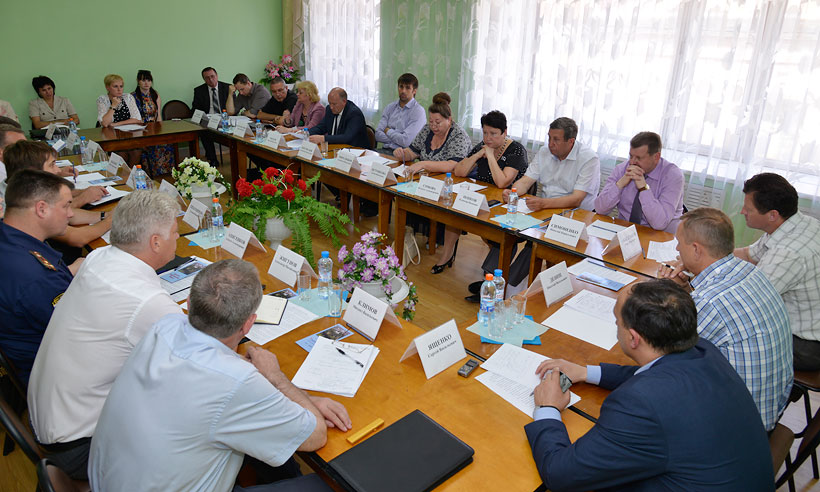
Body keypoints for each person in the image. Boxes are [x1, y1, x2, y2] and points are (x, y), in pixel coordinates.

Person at [89, 259, 348, 492]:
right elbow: (315, 435)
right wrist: (277, 378)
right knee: (328, 485)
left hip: (109, 480)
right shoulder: (237, 381)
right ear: (248, 324)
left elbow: (217, 370)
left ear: (189, 303)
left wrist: (304, 400)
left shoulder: (165, 326)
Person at [527, 280, 774, 490]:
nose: (616, 326)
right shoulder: (703, 350)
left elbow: (559, 475)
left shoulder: (640, 405)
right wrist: (586, 372)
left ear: (633, 338)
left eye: (617, 321)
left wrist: (548, 408)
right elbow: (654, 374)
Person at [28, 191, 182, 479]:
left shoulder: (98, 257)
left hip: (50, 419)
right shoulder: (148, 303)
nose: (177, 238)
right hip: (80, 446)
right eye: (175, 232)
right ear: (155, 242)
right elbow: (197, 363)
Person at [658, 207, 792, 431]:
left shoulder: (709, 302)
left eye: (679, 243)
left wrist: (664, 293)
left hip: (741, 426)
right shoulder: (749, 271)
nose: (677, 249)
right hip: (770, 405)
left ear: (696, 249)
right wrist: (685, 290)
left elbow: (661, 351)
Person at [467, 117, 600, 296]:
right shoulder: (545, 152)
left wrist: (543, 203)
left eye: (556, 139)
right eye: (549, 137)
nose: (550, 143)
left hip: (575, 216)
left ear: (571, 141)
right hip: (544, 209)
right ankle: (490, 278)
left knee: (534, 242)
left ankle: (509, 287)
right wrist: (513, 192)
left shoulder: (589, 158)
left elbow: (576, 199)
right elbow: (526, 181)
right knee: (508, 229)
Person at [0, 170, 80, 385]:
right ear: (41, 209)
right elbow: (77, 330)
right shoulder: (37, 276)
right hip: (51, 373)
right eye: (66, 206)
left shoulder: (9, 238)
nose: (70, 214)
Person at [734, 173, 820, 371]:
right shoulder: (798, 224)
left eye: (748, 209)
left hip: (806, 346)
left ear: (772, 215)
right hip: (808, 325)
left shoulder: (788, 253)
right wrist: (705, 254)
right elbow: (748, 255)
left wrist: (701, 270)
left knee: (727, 334)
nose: (742, 212)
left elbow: (748, 302)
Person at [432, 110, 527, 275]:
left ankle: (495, 266)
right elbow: (459, 171)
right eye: (485, 133)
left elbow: (502, 182)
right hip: (484, 198)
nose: (488, 138)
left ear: (504, 132)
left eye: (493, 133)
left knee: (488, 228)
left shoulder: (516, 150)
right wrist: (477, 155)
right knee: (454, 211)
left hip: (506, 205)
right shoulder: (482, 147)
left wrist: (490, 156)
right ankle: (447, 256)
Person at [4, 140, 112, 255]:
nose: (58, 170)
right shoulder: (21, 203)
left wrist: (105, 215)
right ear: (34, 172)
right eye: (52, 165)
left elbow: (69, 215)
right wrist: (111, 220)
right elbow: (77, 237)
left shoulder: (22, 189)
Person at [594, 131, 684, 233]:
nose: (632, 162)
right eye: (631, 156)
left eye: (638, 158)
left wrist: (643, 188)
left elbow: (660, 224)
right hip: (625, 233)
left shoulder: (673, 176)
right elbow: (600, 209)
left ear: (656, 157)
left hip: (660, 236)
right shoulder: (622, 169)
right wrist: (620, 184)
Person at [393, 92, 470, 172]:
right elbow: (412, 152)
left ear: (449, 120)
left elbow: (452, 165)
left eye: (438, 122)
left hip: (449, 178)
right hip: (426, 176)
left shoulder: (458, 135)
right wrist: (402, 155)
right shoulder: (427, 130)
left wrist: (423, 164)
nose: (433, 126)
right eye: (431, 121)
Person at [131, 70, 174, 176]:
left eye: (149, 80)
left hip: (155, 128)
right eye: (143, 80)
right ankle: (150, 172)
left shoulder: (155, 94)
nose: (146, 83)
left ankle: (165, 172)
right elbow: (133, 117)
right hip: (140, 129)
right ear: (138, 81)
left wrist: (161, 130)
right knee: (147, 146)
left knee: (166, 142)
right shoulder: (132, 96)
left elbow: (158, 114)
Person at [375, 73, 426, 153]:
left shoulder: (418, 111)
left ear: (414, 91)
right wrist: (398, 137)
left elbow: (406, 141)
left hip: (403, 155)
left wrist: (387, 131)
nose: (403, 91)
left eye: (407, 88)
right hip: (384, 150)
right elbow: (377, 135)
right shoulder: (390, 107)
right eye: (401, 87)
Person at [191, 67, 230, 166]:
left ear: (217, 76)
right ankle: (213, 160)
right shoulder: (199, 90)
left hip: (224, 118)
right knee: (204, 132)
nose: (211, 79)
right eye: (207, 78)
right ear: (204, 79)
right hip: (208, 119)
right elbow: (195, 108)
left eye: (212, 76)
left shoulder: (227, 88)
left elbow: (234, 107)